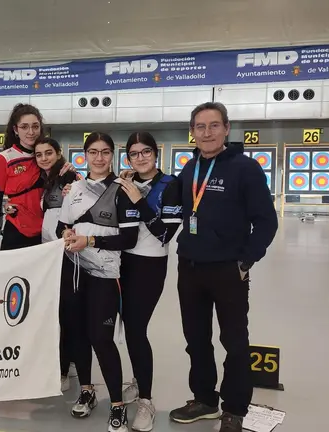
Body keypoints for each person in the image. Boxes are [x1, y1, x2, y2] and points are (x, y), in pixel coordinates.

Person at [169, 102, 278, 432]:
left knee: (235, 341)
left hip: (228, 270)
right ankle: (204, 399)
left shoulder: (245, 168)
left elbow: (266, 221)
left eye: (214, 125)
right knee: (196, 339)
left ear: (226, 129)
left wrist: (246, 260)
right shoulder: (190, 169)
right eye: (200, 126)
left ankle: (234, 408)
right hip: (190, 267)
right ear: (192, 132)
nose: (207, 132)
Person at [57, 132, 141, 432]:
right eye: (93, 152)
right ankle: (87, 390)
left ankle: (117, 404)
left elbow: (129, 238)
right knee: (78, 334)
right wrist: (67, 234)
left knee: (101, 338)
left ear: (112, 155)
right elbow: (63, 225)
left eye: (105, 152)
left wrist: (90, 240)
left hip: (105, 275)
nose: (99, 158)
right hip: (74, 271)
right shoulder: (75, 189)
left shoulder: (123, 189)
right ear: (85, 155)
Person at [113, 132, 183, 432]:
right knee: (128, 328)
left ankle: (146, 400)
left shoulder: (170, 185)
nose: (140, 158)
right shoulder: (125, 182)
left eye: (146, 152)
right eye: (134, 153)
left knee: (137, 329)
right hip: (121, 262)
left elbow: (164, 234)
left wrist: (139, 200)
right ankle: (138, 380)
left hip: (150, 265)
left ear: (156, 153)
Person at [33, 137, 80, 392]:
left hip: (65, 252)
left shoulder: (67, 175)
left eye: (48, 153)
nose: (44, 158)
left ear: (59, 153)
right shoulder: (48, 177)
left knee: (65, 312)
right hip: (50, 251)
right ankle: (65, 361)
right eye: (39, 154)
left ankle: (64, 367)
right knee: (58, 310)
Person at [0, 103, 47, 250]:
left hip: (45, 231)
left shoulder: (46, 156)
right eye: (24, 127)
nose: (31, 132)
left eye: (35, 126)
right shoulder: (5, 157)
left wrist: (69, 170)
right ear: (15, 129)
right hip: (16, 229)